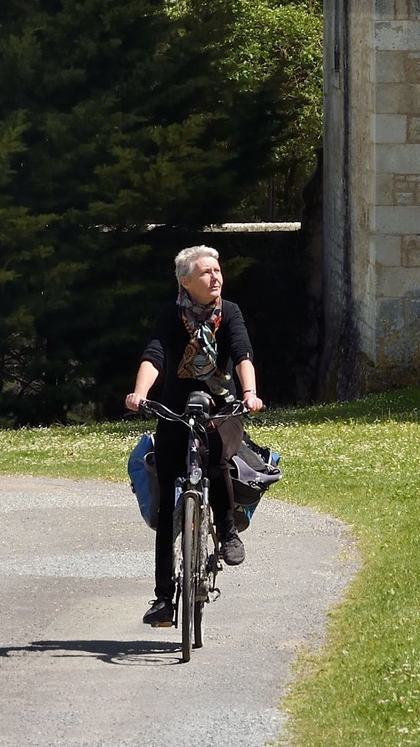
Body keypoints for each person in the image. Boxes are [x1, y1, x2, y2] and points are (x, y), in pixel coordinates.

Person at [126, 242, 264, 629]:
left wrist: (249, 394)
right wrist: (140, 394)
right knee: (168, 500)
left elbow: (242, 354)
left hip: (222, 409)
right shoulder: (171, 315)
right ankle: (163, 600)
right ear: (185, 282)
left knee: (217, 454)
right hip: (177, 411)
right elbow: (154, 355)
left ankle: (227, 530)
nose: (215, 276)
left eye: (217, 270)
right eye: (206, 272)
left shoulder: (229, 313)